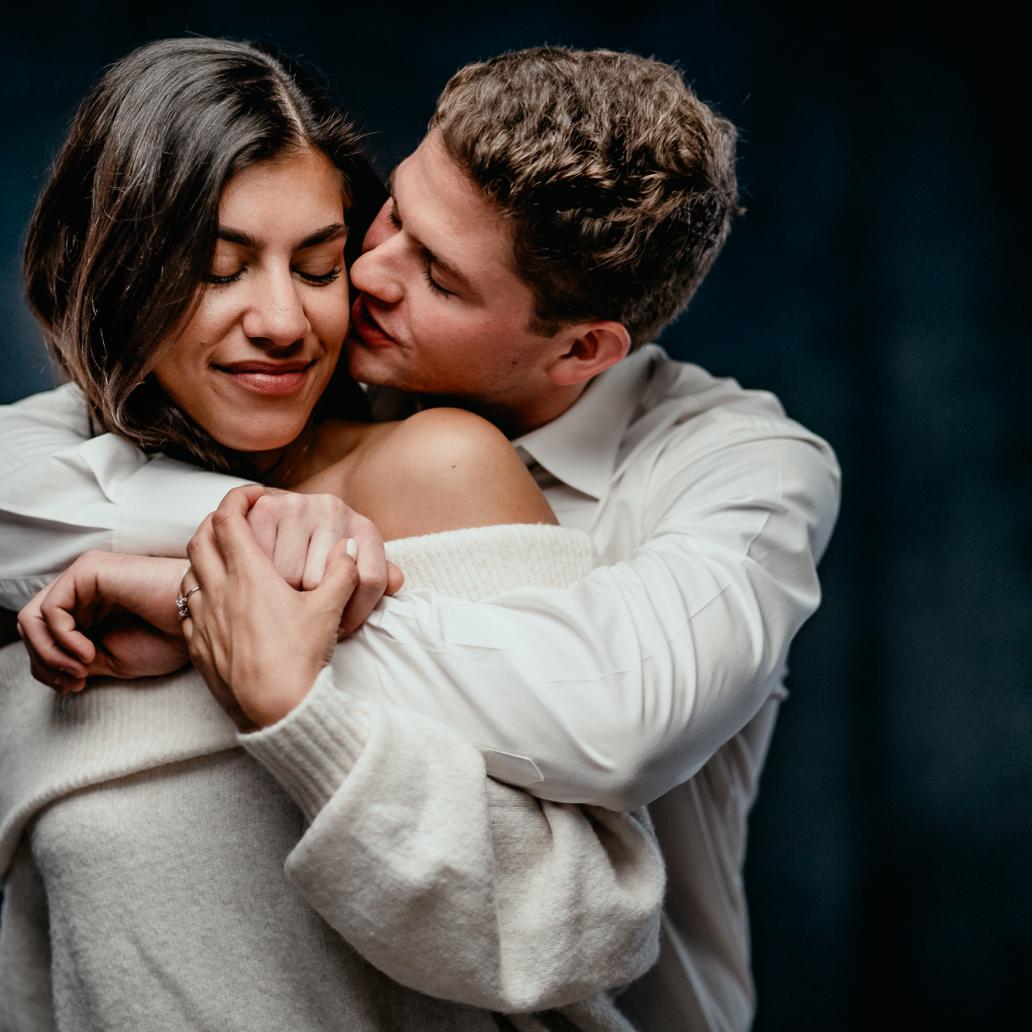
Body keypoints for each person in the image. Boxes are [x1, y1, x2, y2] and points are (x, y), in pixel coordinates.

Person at [1, 46, 841, 1030]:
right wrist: (253, 550)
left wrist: (232, 623)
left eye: (435, 275)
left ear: (583, 348)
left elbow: (614, 718)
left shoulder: (732, 468)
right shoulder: (130, 445)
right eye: (390, 216)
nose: (361, 275)